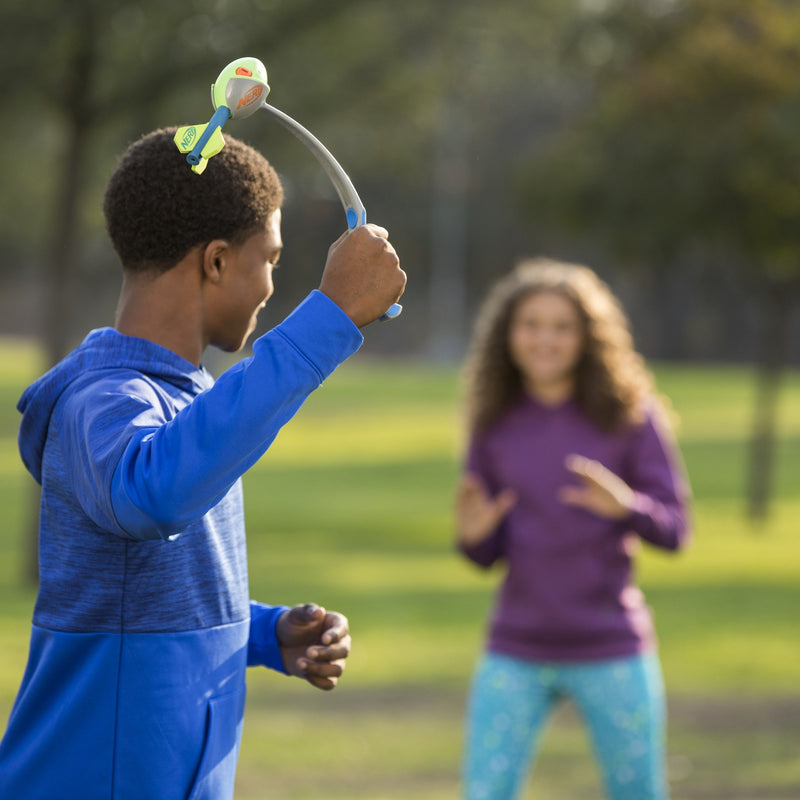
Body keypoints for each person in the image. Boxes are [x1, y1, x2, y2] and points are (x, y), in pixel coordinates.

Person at [0, 128, 406, 800]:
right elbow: (151, 493)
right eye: (269, 260)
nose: (273, 285)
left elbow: (137, 604)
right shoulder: (100, 400)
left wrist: (262, 632)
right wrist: (327, 318)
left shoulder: (191, 404)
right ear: (217, 262)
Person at [455, 258, 690, 800]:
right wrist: (473, 536)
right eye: (531, 324)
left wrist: (627, 506)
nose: (546, 339)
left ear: (589, 336)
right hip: (515, 647)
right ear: (507, 335)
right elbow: (484, 553)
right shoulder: (493, 422)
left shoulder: (632, 414)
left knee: (639, 791)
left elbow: (676, 529)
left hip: (611, 647)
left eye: (562, 327)